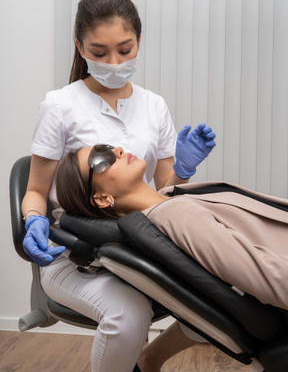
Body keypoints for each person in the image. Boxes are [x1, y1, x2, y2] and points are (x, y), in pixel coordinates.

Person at [21, 0, 216, 372]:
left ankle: (151, 360)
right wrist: (33, 220)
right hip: (77, 255)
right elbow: (35, 191)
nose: (113, 62)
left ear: (139, 42)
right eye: (99, 52)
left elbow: (162, 193)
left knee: (222, 296)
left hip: (143, 246)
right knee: (128, 317)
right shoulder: (60, 106)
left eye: (125, 50)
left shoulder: (153, 105)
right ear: (79, 47)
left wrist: (185, 169)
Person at [55, 144, 288, 370]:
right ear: (103, 198)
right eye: (102, 161)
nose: (117, 151)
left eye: (107, 147)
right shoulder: (176, 215)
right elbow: (270, 279)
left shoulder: (169, 199)